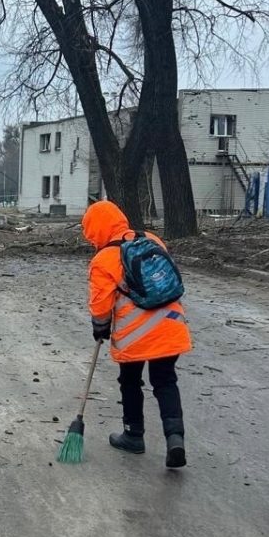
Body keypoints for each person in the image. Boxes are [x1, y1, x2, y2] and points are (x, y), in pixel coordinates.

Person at [82, 200, 192, 468]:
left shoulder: (104, 258)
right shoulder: (151, 239)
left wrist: (100, 327)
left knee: (130, 381)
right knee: (165, 381)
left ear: (95, 229)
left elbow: (101, 306)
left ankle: (134, 435)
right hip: (171, 326)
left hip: (136, 336)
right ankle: (175, 438)